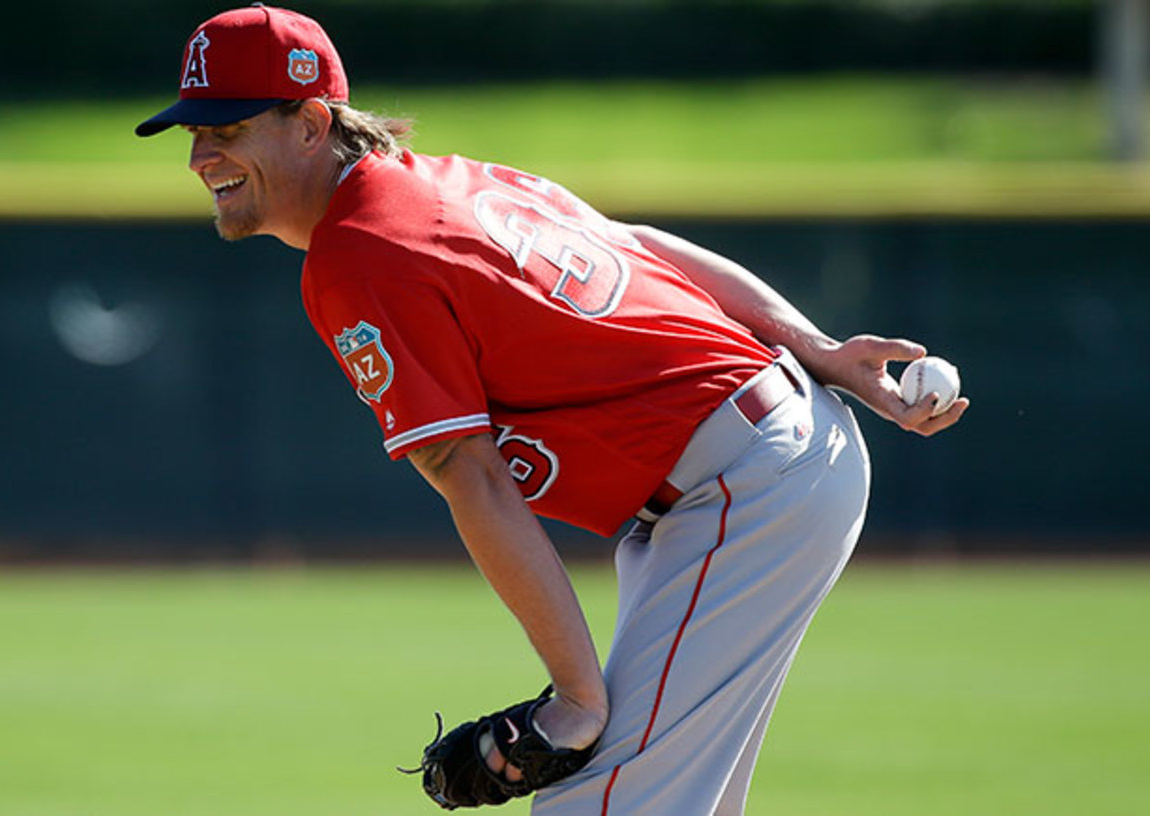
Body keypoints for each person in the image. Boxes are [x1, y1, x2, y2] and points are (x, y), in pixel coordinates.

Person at [137, 5, 968, 814]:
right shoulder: (452, 181)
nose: (201, 155)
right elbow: (642, 245)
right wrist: (815, 348)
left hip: (742, 486)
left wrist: (577, 698)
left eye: (228, 128)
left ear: (312, 124)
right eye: (193, 132)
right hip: (756, 462)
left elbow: (469, 473)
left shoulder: (360, 253)